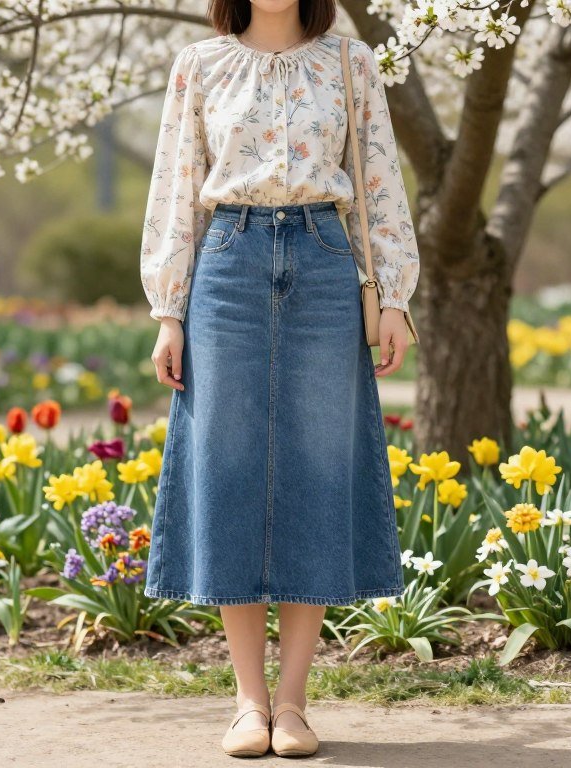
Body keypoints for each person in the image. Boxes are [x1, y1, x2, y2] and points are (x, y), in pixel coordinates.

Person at [138, 0, 420, 758]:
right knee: (227, 468)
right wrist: (169, 311)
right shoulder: (199, 65)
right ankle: (247, 703)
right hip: (225, 263)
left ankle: (293, 704)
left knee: (318, 468)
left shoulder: (351, 62)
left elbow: (381, 180)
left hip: (326, 261)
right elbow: (174, 186)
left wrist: (395, 297)